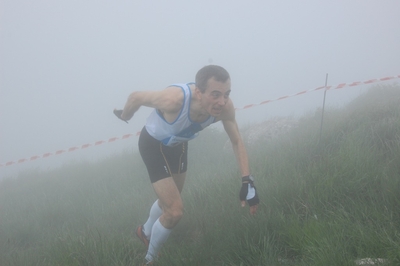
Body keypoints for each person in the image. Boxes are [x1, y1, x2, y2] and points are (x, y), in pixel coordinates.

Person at [114, 65, 259, 265]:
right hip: (152, 145)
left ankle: (144, 231)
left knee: (172, 198)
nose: (221, 102)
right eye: (215, 94)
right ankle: (150, 259)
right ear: (198, 92)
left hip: (178, 145)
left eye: (226, 94)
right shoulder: (174, 99)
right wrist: (125, 116)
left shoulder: (224, 108)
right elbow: (136, 97)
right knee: (174, 210)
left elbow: (236, 140)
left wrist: (247, 180)